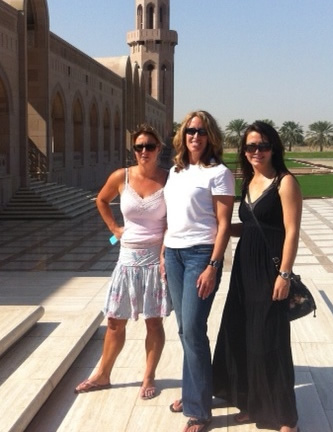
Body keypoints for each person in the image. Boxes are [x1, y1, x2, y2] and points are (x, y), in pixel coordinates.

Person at [212, 121, 302, 432]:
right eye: (250, 146)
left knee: (270, 342)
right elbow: (247, 228)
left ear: (274, 148)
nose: (256, 151)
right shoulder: (248, 182)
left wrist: (284, 274)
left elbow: (291, 232)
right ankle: (252, 404)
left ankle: (286, 417)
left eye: (263, 145)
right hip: (243, 272)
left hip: (270, 272)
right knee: (244, 337)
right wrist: (215, 230)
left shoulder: (285, 182)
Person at [74, 123, 171, 400]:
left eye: (149, 146)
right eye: (139, 147)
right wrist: (115, 229)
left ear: (159, 149)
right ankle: (102, 374)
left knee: (154, 323)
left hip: (155, 258)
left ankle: (148, 376)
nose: (144, 151)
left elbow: (177, 215)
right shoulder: (122, 176)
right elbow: (102, 201)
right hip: (126, 258)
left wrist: (166, 245)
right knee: (115, 320)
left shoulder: (169, 179)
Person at [163, 110, 235, 432]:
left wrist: (213, 266)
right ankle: (194, 392)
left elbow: (223, 225)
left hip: (200, 257)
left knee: (193, 329)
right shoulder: (176, 171)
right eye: (190, 130)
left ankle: (199, 410)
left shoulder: (218, 173)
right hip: (174, 255)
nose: (195, 136)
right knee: (184, 331)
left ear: (210, 137)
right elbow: (172, 215)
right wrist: (165, 252)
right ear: (183, 135)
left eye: (201, 131)